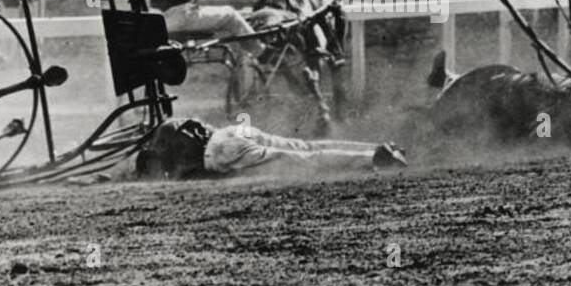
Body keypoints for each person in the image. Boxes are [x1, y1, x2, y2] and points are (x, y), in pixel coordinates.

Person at [135, 117, 407, 179]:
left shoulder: (160, 145)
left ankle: (374, 157)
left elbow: (180, 171)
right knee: (304, 146)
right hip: (229, 132)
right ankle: (376, 147)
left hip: (221, 150)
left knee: (304, 159)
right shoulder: (171, 123)